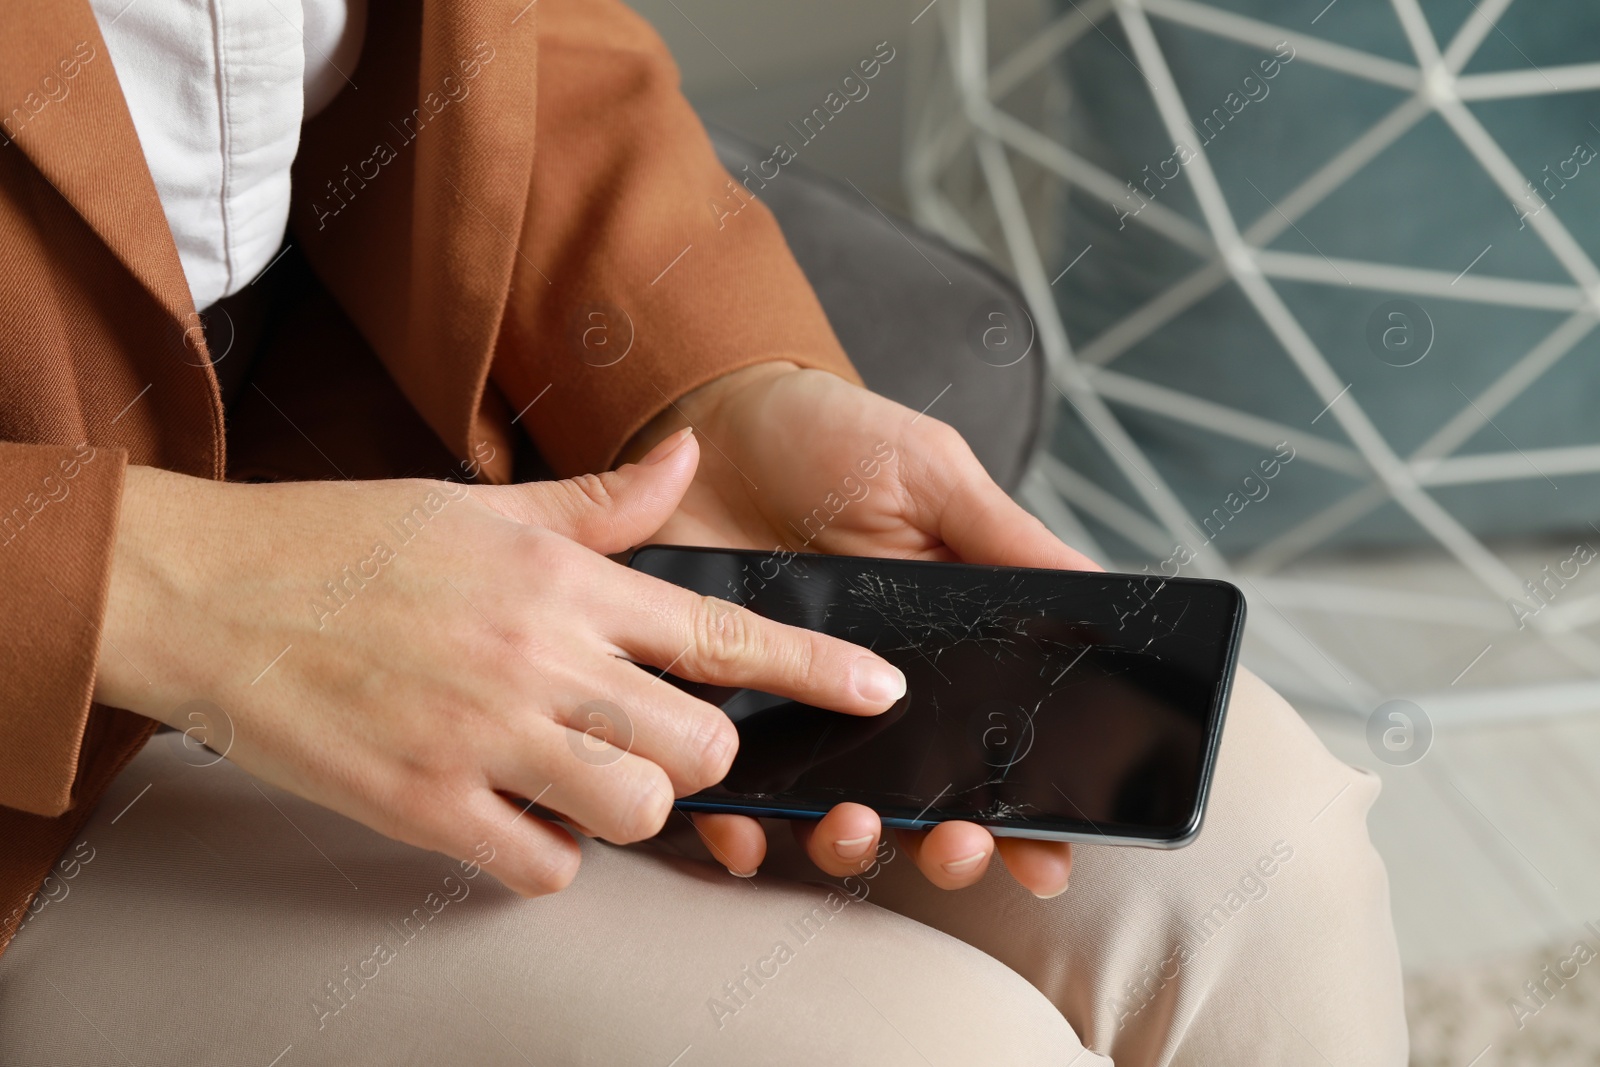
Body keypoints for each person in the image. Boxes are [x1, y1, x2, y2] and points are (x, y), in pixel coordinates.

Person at [0, 0, 1408, 1062]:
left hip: (387, 471)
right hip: (43, 748)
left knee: (1265, 860)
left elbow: (513, 42)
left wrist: (706, 390)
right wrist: (153, 590)